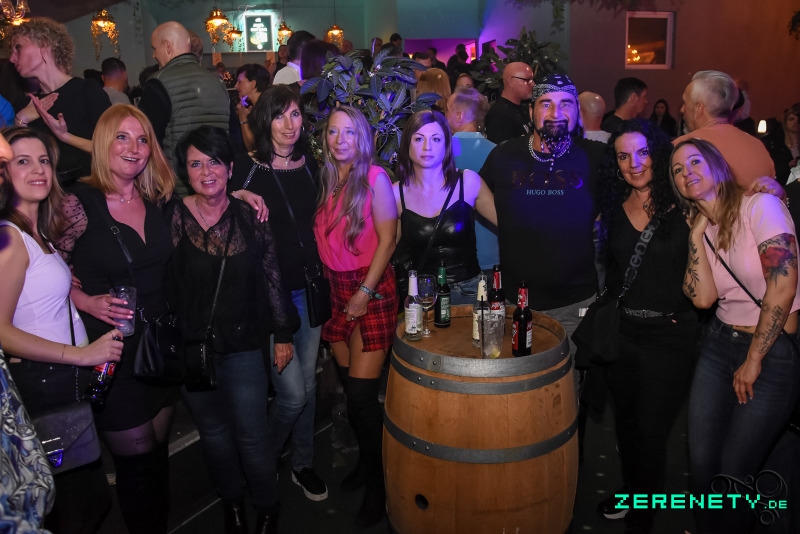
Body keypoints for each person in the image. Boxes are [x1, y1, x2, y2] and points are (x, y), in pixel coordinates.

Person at [55, 105, 179, 534]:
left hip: (159, 349)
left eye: (143, 139)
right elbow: (42, 268)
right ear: (104, 143)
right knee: (137, 464)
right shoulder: (78, 202)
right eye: (123, 137)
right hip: (112, 352)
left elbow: (205, 202)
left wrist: (243, 193)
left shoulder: (156, 198)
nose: (134, 148)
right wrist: (83, 299)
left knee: (157, 456)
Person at [171, 126, 299, 534]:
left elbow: (273, 276)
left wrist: (282, 335)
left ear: (230, 168)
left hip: (243, 346)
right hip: (194, 348)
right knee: (214, 435)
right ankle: (232, 505)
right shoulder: (173, 216)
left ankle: (267, 506)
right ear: (185, 172)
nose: (206, 172)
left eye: (214, 162)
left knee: (251, 436)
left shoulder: (250, 215)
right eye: (195, 164)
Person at [672, 138, 800, 534]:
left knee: (734, 470)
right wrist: (695, 237)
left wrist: (755, 358)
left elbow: (784, 285)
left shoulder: (761, 207)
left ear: (717, 166)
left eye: (695, 162)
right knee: (702, 465)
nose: (687, 172)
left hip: (770, 352)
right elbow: (702, 298)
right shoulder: (703, 228)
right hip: (718, 344)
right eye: (678, 170)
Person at [0, 126, 123, 533]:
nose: (38, 170)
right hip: (43, 384)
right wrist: (82, 355)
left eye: (43, 161)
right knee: (73, 508)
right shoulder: (9, 236)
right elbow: (1, 331)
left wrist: (76, 294)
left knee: (86, 501)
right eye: (23, 161)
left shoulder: (35, 232)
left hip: (62, 382)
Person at [592, 119, 700, 533]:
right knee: (626, 425)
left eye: (642, 152)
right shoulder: (615, 206)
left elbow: (730, 206)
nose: (634, 163)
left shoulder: (686, 203)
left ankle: (641, 518)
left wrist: (769, 188)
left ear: (657, 153)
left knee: (652, 433)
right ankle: (633, 491)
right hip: (623, 334)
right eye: (623, 156)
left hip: (670, 336)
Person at [228, 85, 329, 506]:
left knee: (307, 385)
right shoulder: (247, 168)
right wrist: (235, 194)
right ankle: (260, 461)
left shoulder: (313, 166)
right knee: (292, 394)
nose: (289, 125)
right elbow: (207, 203)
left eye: (295, 114)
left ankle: (302, 463)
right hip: (271, 296)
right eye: (279, 115)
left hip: (310, 289)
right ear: (264, 121)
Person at [314, 105, 398, 529]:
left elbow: (389, 240)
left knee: (363, 397)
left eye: (349, 132)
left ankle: (380, 486)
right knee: (351, 390)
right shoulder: (327, 180)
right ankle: (367, 462)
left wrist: (365, 292)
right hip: (336, 290)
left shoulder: (375, 178)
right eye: (333, 132)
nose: (340, 139)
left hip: (371, 288)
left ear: (362, 137)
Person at [480, 73, 606, 342]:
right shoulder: (504, 154)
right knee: (516, 367)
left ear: (577, 111)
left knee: (570, 370)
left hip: (575, 305)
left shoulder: (597, 157)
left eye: (565, 104)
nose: (555, 113)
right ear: (531, 111)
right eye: (546, 104)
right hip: (515, 302)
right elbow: (472, 191)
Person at [394, 109, 497, 304]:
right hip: (423, 295)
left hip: (469, 291)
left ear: (446, 145)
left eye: (436, 139)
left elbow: (509, 227)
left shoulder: (469, 182)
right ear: (407, 143)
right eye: (419, 139)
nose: (427, 147)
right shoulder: (396, 193)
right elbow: (386, 247)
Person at [8, 17, 111, 187]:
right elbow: (18, 164)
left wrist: (66, 137)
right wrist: (22, 119)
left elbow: (112, 149)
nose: (12, 58)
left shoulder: (86, 91)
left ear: (43, 44)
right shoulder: (24, 106)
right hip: (47, 198)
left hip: (91, 193)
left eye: (18, 47)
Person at [138, 21, 230, 196]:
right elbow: (230, 136)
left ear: (167, 46)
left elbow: (146, 139)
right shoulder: (217, 82)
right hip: (216, 187)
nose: (154, 55)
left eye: (155, 48)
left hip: (177, 191)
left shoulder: (159, 82)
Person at [673, 70, 775, 187]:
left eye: (685, 103)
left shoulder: (683, 148)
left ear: (698, 108)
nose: (682, 109)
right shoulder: (758, 147)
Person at [445, 89, 499, 273]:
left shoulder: (440, 153)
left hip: (452, 257)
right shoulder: (498, 152)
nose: (445, 116)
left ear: (459, 116)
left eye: (447, 110)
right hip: (491, 253)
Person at [483, 61, 533, 144]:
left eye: (532, 80)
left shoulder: (521, 108)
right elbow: (502, 150)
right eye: (527, 80)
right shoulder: (499, 115)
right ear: (511, 82)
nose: (533, 84)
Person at [233, 63, 270, 152]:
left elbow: (253, 148)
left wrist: (243, 118)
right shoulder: (252, 106)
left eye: (240, 82)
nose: (235, 86)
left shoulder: (267, 108)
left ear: (253, 84)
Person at [762, 103, 800, 185]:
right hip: (783, 183)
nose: (795, 122)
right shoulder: (776, 144)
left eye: (798, 119)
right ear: (785, 122)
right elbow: (773, 168)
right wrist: (788, 165)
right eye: (791, 119)